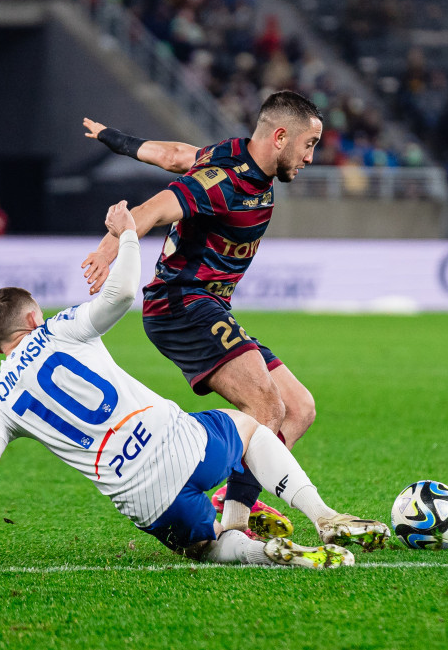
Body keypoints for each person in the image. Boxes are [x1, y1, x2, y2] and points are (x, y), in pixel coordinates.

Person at [0, 202, 389, 570]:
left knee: (207, 548)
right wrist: (128, 236)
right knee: (249, 425)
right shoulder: (57, 330)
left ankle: (262, 551)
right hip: (185, 445)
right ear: (31, 319)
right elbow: (120, 297)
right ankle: (323, 516)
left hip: (144, 499)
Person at [79, 91, 323, 540]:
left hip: (210, 306)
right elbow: (153, 210)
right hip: (181, 303)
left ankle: (233, 510)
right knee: (266, 406)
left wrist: (114, 138)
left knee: (299, 409)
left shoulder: (235, 155)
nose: (311, 157)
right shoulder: (223, 181)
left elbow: (174, 155)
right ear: (281, 136)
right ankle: (225, 521)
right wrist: (108, 248)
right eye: (308, 144)